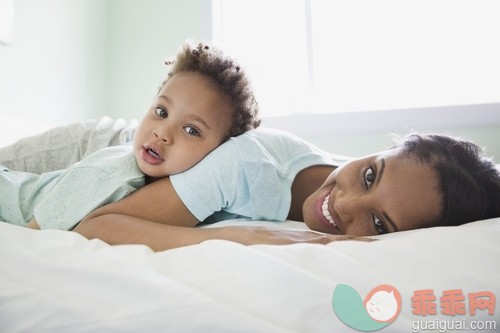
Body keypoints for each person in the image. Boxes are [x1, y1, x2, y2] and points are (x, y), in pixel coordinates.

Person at [64, 128, 500, 251]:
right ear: (379, 150)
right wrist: (229, 237)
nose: (345, 203)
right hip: (88, 149)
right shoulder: (248, 166)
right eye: (369, 175)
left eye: (380, 226)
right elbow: (95, 224)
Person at [0, 41, 260, 230]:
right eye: (161, 111)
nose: (162, 132)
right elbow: (35, 233)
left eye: (191, 130)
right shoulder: (110, 173)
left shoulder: (193, 196)